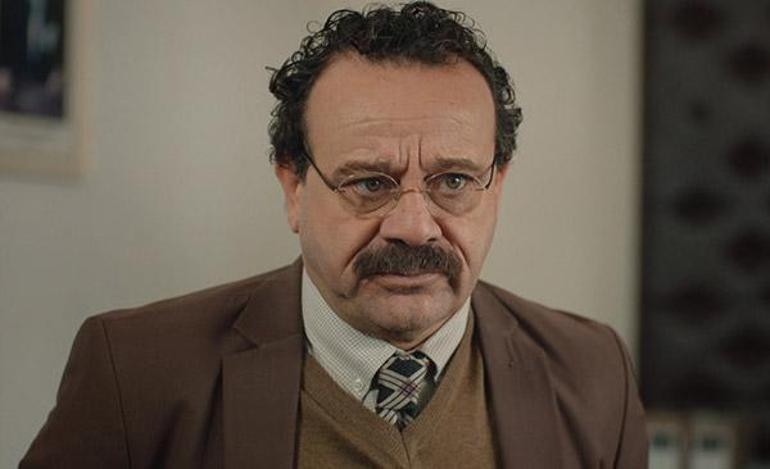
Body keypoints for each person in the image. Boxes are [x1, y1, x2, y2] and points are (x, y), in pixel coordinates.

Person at [21, 2, 647, 468]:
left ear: (497, 185)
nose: (413, 227)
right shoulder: (135, 375)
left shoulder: (595, 374)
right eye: (370, 182)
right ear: (294, 187)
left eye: (453, 181)